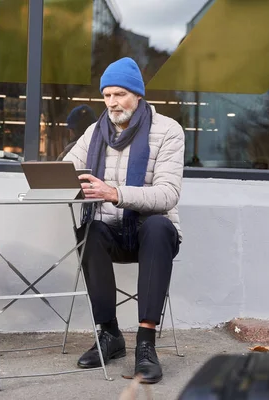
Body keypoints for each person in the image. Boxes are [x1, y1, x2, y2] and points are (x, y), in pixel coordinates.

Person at [63, 57, 184, 383]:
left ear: (138, 94)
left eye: (120, 94)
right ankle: (109, 335)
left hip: (149, 234)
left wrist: (114, 192)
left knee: (159, 226)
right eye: (106, 96)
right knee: (88, 230)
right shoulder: (94, 132)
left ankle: (146, 345)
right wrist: (56, 177)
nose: (112, 103)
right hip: (110, 232)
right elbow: (67, 169)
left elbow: (168, 194)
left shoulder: (168, 131)